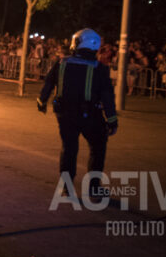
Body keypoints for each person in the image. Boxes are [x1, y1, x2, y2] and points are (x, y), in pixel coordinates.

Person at [37, 28, 117, 198]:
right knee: (98, 146)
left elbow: (48, 83)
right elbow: (107, 97)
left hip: (65, 115)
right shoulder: (100, 69)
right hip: (90, 115)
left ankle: (67, 188)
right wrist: (112, 120)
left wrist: (42, 101)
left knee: (69, 148)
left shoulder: (62, 63)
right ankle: (94, 189)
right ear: (94, 45)